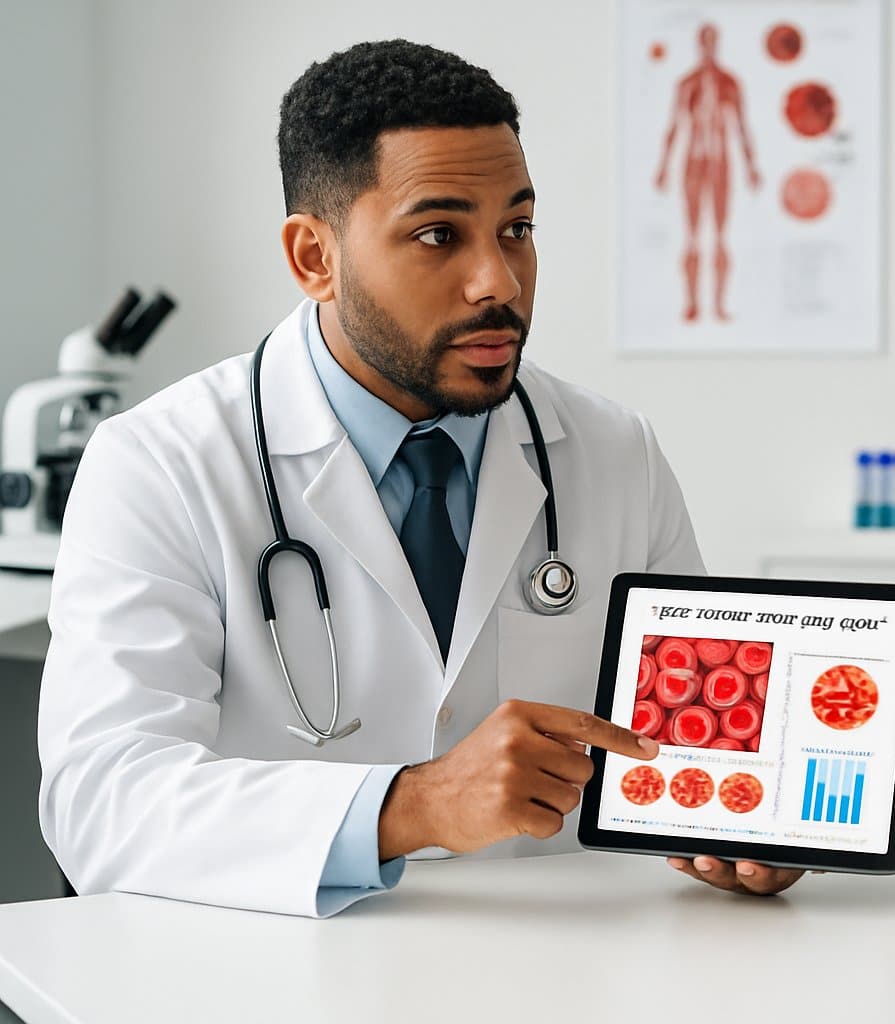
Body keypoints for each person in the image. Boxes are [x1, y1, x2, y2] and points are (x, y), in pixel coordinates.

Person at [37, 39, 800, 917]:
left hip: (563, 969)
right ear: (313, 257)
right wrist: (416, 805)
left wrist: (745, 830)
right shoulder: (161, 465)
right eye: (440, 235)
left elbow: (686, 753)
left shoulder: (613, 450)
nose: (500, 280)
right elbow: (101, 801)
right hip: (274, 976)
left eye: (517, 228)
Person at [654, 22, 761, 323]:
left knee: (720, 235)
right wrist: (663, 166)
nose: (709, 47)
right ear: (700, 44)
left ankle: (718, 305)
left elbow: (741, 128)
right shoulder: (688, 84)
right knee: (691, 236)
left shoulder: (730, 83)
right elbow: (674, 126)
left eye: (714, 41)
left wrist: (751, 166)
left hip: (720, 163)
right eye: (706, 42)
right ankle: (692, 303)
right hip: (694, 163)